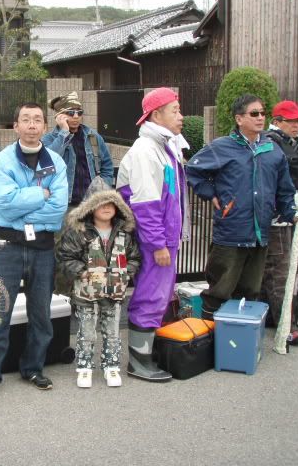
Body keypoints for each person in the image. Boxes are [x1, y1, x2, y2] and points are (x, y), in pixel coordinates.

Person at [186, 94, 298, 322]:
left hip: (260, 236)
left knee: (250, 293)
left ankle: (239, 339)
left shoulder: (272, 150)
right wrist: (211, 193)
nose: (260, 117)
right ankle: (210, 339)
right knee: (218, 292)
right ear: (239, 119)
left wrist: (294, 214)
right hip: (230, 234)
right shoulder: (222, 147)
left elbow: (284, 191)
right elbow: (193, 170)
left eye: (262, 113)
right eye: (254, 113)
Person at [0, 102, 68, 400]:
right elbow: (4, 203)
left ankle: (33, 367)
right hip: (7, 248)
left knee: (41, 314)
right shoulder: (3, 161)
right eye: (25, 119)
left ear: (45, 126)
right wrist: (41, 194)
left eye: (37, 119)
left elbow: (58, 208)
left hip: (43, 249)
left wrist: (22, 207)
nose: (31, 125)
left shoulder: (56, 162)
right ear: (15, 126)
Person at [115, 87, 189, 382]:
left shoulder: (164, 146)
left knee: (159, 294)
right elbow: (145, 204)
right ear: (156, 115)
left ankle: (146, 354)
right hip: (154, 240)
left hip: (163, 238)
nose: (181, 116)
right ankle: (139, 361)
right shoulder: (147, 150)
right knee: (150, 295)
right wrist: (158, 244)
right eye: (175, 111)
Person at [56, 177, 141, 388]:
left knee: (112, 332)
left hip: (115, 292)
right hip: (86, 293)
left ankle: (111, 366)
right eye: (100, 203)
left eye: (111, 203)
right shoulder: (79, 232)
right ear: (90, 208)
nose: (106, 207)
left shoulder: (124, 233)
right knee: (86, 332)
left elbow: (134, 257)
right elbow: (65, 256)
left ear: (117, 207)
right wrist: (82, 272)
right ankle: (84, 367)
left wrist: (126, 273)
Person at [260, 100, 298, 345]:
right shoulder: (272, 144)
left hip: (289, 215)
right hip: (278, 219)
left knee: (272, 270)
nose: (296, 125)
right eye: (290, 121)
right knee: (280, 272)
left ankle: (270, 317)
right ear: (277, 121)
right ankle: (285, 327)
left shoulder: (288, 144)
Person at [42, 91, 114, 207]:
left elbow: (107, 166)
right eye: (70, 112)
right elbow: (48, 164)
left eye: (79, 112)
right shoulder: (49, 140)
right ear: (59, 116)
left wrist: (103, 189)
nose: (76, 116)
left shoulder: (93, 137)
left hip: (92, 204)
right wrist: (64, 132)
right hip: (64, 205)